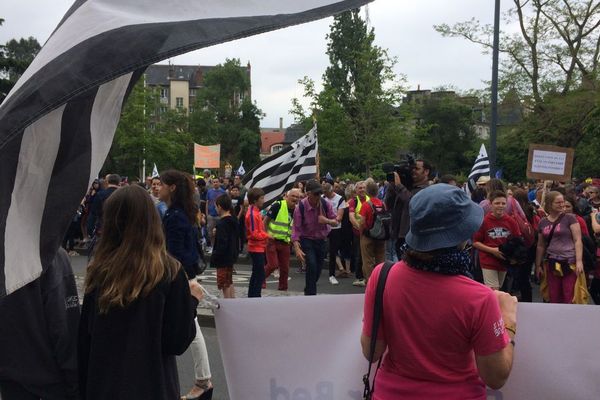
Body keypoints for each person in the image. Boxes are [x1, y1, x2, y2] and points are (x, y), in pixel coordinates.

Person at [361, 184, 517, 399]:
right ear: (463, 233)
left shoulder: (382, 276)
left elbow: (372, 351)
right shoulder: (480, 298)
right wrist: (508, 320)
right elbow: (496, 377)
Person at [78, 185, 203, 400]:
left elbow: (84, 341)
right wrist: (191, 302)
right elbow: (177, 340)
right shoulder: (169, 272)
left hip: (105, 387)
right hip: (153, 386)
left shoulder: (99, 271)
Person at [158, 170, 214, 400]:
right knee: (191, 326)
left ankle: (203, 380)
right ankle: (203, 380)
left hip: (179, 277)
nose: (156, 188)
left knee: (191, 327)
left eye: (160, 184)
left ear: (171, 188)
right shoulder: (181, 212)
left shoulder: (175, 216)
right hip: (183, 275)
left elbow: (176, 251)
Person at [0, 248, 79, 400]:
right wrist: (75, 385)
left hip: (11, 380)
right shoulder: (52, 256)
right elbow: (65, 331)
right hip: (50, 384)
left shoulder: (5, 252)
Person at [535, 191, 585, 304]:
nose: (562, 205)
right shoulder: (543, 222)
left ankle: (568, 320)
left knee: (569, 296)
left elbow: (578, 240)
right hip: (551, 262)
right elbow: (540, 245)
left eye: (563, 202)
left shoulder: (570, 218)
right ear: (549, 204)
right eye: (558, 202)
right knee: (553, 296)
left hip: (569, 262)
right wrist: (537, 265)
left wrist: (579, 261)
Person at [292, 179, 338, 295]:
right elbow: (296, 229)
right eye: (316, 194)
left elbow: (336, 221)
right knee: (311, 265)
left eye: (320, 193)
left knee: (317, 270)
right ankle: (311, 295)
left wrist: (326, 220)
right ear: (308, 194)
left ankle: (309, 288)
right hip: (307, 239)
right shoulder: (300, 207)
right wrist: (297, 247)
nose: (319, 196)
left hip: (321, 240)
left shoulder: (325, 204)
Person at [473, 190, 522, 290]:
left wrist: (514, 257)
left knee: (499, 289)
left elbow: (518, 241)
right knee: (494, 291)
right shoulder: (484, 221)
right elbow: (475, 242)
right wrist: (492, 250)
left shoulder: (511, 221)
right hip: (488, 260)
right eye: (497, 203)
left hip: (504, 261)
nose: (500, 206)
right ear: (491, 204)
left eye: (503, 203)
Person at [384, 159, 431, 260]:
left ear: (426, 171)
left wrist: (399, 186)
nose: (413, 171)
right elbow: (388, 204)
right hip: (399, 236)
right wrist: (392, 186)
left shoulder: (427, 190)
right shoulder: (407, 188)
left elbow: (414, 203)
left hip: (414, 237)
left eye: (417, 169)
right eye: (411, 169)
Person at [264, 189, 301, 290]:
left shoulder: (297, 210)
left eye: (297, 197)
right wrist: (266, 235)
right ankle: (260, 280)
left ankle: (283, 288)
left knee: (285, 268)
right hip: (272, 240)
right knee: (273, 265)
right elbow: (265, 221)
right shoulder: (278, 205)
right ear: (286, 196)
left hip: (286, 243)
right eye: (293, 196)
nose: (295, 199)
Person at [210, 194, 239, 299]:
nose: (215, 208)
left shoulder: (222, 224)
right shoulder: (234, 220)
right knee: (229, 281)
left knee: (224, 284)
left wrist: (215, 255)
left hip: (223, 259)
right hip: (231, 256)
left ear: (220, 207)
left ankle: (228, 305)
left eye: (215, 206)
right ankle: (232, 302)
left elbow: (222, 243)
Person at [359, 181, 386, 281]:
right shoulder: (383, 204)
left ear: (367, 192)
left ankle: (371, 282)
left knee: (368, 261)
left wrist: (361, 234)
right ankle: (381, 281)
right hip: (381, 236)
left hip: (368, 236)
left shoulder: (366, 205)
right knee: (381, 259)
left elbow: (362, 222)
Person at [245, 188, 268, 297]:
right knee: (259, 274)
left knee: (257, 273)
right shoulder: (252, 214)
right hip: (256, 248)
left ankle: (253, 296)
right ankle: (255, 296)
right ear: (255, 200)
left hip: (259, 247)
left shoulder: (255, 212)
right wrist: (267, 236)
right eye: (262, 198)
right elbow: (254, 233)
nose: (263, 200)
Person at [323, 182, 346, 285]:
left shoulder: (340, 199)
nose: (325, 196)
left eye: (327, 194)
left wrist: (333, 221)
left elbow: (340, 216)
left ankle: (331, 275)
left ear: (331, 191)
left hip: (335, 228)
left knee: (333, 252)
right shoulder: (322, 198)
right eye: (324, 194)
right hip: (323, 226)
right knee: (320, 249)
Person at [347, 181, 369, 286]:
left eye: (364, 188)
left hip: (370, 233)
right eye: (360, 188)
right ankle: (359, 277)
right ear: (356, 190)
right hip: (358, 233)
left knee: (369, 256)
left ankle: (368, 276)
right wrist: (360, 228)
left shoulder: (370, 199)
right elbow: (351, 217)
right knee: (359, 255)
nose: (362, 190)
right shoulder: (353, 201)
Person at [205, 178, 227, 252]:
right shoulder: (209, 191)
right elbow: (207, 202)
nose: (215, 183)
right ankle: (212, 246)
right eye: (214, 182)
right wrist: (207, 214)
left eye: (216, 182)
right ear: (212, 183)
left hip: (220, 216)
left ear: (219, 183)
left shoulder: (223, 192)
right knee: (210, 232)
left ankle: (220, 247)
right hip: (211, 215)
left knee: (221, 232)